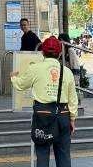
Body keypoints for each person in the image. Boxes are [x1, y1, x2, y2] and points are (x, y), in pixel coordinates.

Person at [10, 36, 77, 167]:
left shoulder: (35, 68)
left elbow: (20, 85)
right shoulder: (67, 72)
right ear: (60, 53)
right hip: (63, 115)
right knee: (63, 155)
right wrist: (72, 119)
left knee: (42, 152)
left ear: (42, 52)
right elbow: (72, 99)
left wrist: (13, 77)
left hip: (42, 115)